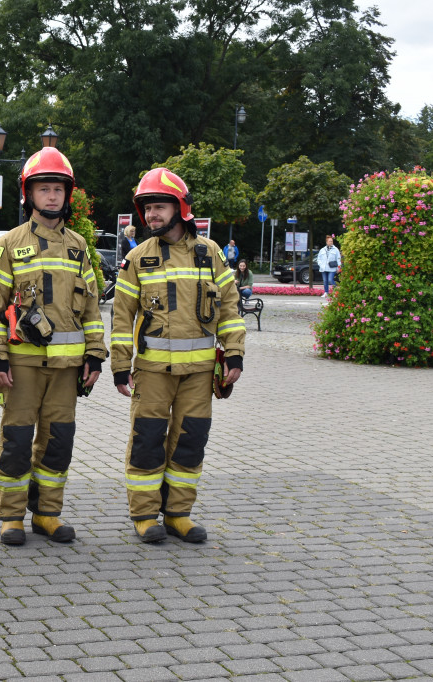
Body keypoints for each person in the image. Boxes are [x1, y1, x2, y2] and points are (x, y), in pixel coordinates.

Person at [111, 168, 245, 544]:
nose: (152, 215)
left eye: (160, 207)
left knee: (190, 442)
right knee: (148, 440)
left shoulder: (211, 254)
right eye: (148, 209)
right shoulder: (136, 259)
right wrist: (121, 366)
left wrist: (234, 355)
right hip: (153, 372)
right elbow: (122, 319)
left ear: (180, 208)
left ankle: (178, 514)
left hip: (200, 374)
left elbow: (230, 307)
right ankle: (143, 515)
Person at [0, 148, 105, 546]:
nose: (51, 196)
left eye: (57, 189)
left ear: (67, 195)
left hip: (67, 368)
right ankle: (12, 517)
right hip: (21, 366)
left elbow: (92, 307)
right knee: (16, 441)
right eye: (43, 188)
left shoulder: (79, 247)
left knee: (58, 441)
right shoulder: (9, 243)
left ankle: (48, 514)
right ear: (28, 194)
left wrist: (95, 355)